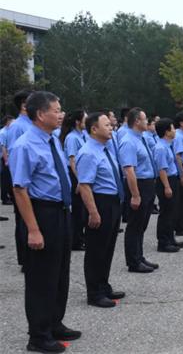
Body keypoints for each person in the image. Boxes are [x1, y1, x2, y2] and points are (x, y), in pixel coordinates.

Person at [10, 91, 81, 353]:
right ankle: (38, 335)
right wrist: (33, 229)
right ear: (41, 114)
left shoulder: (52, 141)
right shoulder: (25, 145)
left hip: (61, 212)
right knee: (41, 277)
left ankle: (54, 322)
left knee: (60, 271)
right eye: (56, 110)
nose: (62, 114)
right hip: (42, 213)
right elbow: (20, 189)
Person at [75, 113, 125, 308]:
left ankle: (104, 285)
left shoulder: (105, 149)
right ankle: (94, 292)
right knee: (96, 249)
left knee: (107, 247)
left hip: (112, 201)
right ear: (94, 129)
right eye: (106, 125)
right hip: (100, 202)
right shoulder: (88, 152)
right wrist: (93, 212)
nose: (111, 127)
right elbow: (85, 185)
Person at [118, 108, 158, 273]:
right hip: (138, 184)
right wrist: (135, 195)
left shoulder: (140, 138)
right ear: (136, 121)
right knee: (135, 224)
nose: (147, 121)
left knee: (142, 223)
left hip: (147, 183)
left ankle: (139, 256)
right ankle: (133, 261)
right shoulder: (128, 141)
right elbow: (129, 170)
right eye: (144, 119)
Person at [6, 89, 35, 267]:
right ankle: (25, 259)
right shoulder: (17, 126)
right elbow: (12, 156)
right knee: (23, 220)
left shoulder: (32, 124)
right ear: (24, 105)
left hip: (33, 183)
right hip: (22, 181)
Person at [153, 118, 183, 252]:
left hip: (172, 178)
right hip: (166, 180)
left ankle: (170, 238)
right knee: (166, 212)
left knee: (172, 211)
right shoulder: (160, 147)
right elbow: (161, 169)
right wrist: (167, 186)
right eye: (172, 128)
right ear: (166, 131)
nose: (174, 131)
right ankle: (163, 242)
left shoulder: (167, 145)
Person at [60, 110, 88, 251]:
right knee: (77, 210)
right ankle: (75, 241)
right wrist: (79, 181)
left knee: (82, 210)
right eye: (85, 119)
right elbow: (72, 161)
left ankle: (80, 238)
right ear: (77, 122)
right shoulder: (72, 138)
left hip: (81, 174)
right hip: (75, 174)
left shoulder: (82, 135)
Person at [0, 115, 15, 207]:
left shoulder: (9, 131)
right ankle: (4, 198)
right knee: (5, 179)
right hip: (4, 158)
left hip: (8, 157)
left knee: (9, 179)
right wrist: (6, 160)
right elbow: (3, 147)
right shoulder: (3, 132)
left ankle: (8, 196)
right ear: (7, 122)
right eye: (12, 122)